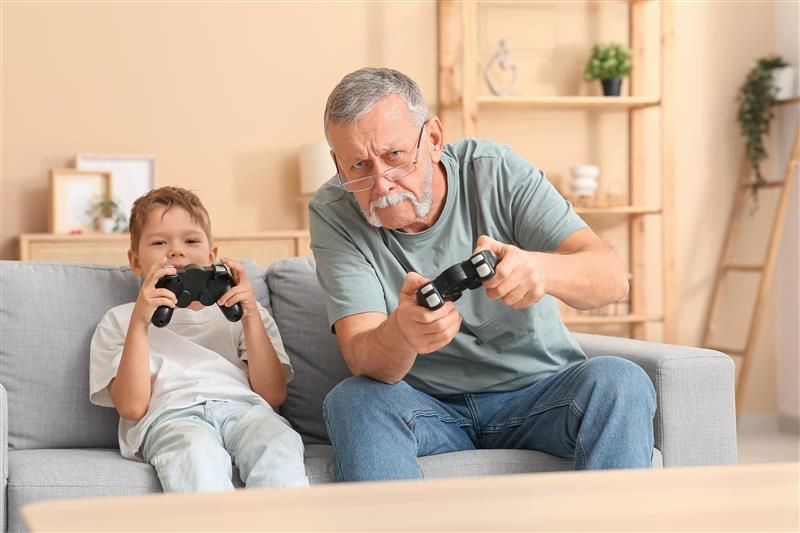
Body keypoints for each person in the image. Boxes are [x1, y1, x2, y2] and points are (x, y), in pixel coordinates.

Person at [309, 67, 656, 481]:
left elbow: (612, 278)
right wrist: (402, 333)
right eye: (359, 167)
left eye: (395, 157)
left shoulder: (494, 171)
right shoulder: (333, 212)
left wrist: (541, 269)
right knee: (353, 401)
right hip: (427, 406)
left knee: (621, 382)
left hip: (541, 393)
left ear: (434, 139)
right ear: (337, 165)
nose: (381, 184)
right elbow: (361, 354)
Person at [90, 186, 309, 492]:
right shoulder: (120, 320)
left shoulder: (245, 312)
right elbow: (132, 407)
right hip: (171, 419)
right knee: (195, 453)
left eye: (191, 240)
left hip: (245, 411)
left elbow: (272, 395)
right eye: (158, 242)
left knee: (277, 443)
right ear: (136, 260)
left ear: (212, 255)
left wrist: (249, 317)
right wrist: (141, 322)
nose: (176, 250)